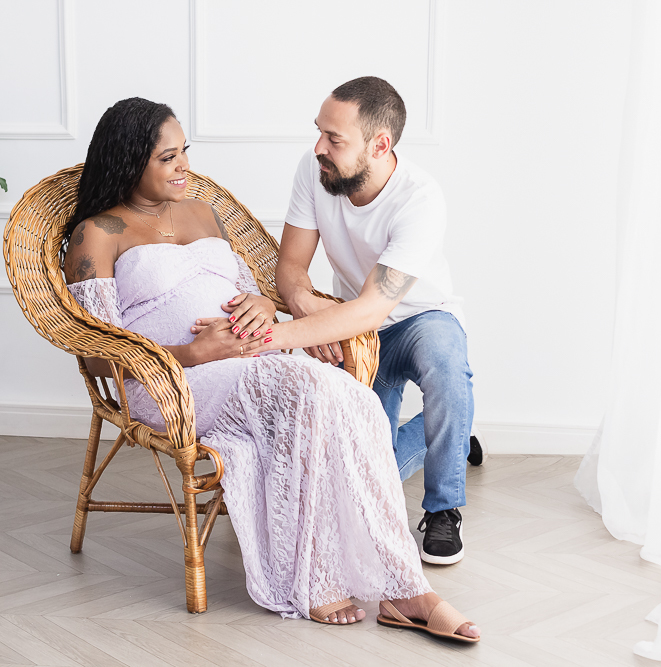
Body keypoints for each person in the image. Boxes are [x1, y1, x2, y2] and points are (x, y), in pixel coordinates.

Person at [62, 97, 480, 642]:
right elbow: (97, 352)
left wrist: (260, 304)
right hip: (167, 382)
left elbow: (245, 288)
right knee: (309, 388)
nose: (185, 166)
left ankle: (403, 586)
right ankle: (342, 579)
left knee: (352, 399)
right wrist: (192, 353)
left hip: (249, 360)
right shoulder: (99, 233)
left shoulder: (201, 211)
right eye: (168, 158)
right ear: (128, 161)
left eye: (185, 150)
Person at [273, 77, 476, 566]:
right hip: (359, 331)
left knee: (449, 374)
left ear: (380, 145)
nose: (319, 147)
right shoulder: (315, 169)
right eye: (319, 132)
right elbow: (289, 268)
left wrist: (270, 338)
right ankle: (453, 437)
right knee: (368, 470)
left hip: (421, 316)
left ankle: (444, 507)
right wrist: (305, 305)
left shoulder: (420, 199)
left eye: (334, 139)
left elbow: (371, 306)